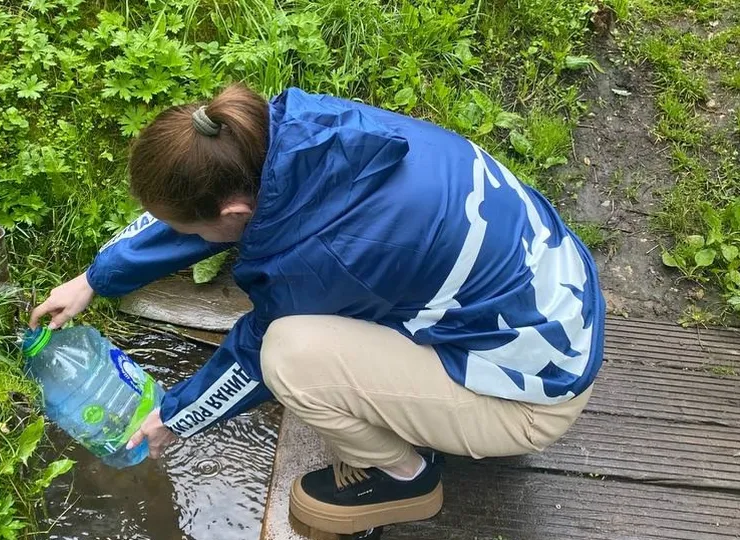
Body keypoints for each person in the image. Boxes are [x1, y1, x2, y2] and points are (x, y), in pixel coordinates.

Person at [29, 84, 604, 535]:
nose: (183, 233)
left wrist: (174, 419)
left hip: (532, 397)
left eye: (189, 225)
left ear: (232, 212)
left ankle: (405, 479)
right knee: (306, 320)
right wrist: (94, 279)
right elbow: (208, 212)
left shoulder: (331, 254)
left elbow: (253, 356)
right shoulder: (289, 131)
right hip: (558, 303)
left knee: (291, 355)